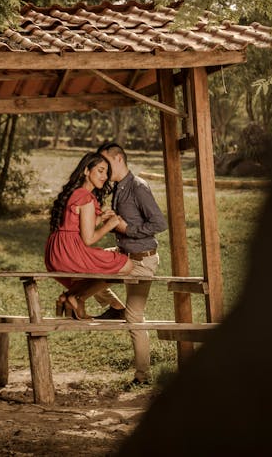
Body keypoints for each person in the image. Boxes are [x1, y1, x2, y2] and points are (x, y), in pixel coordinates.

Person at [96, 142, 168, 387]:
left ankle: (142, 377)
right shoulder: (118, 187)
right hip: (124, 254)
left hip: (143, 260)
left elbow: (159, 223)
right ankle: (115, 305)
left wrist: (128, 229)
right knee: (87, 266)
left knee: (135, 317)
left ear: (118, 159)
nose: (102, 167)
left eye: (105, 162)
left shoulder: (138, 187)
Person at [45, 152, 134, 319]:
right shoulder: (85, 197)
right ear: (86, 171)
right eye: (100, 171)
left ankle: (68, 297)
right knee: (126, 265)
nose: (104, 176)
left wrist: (99, 218)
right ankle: (78, 297)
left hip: (55, 252)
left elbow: (74, 224)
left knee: (104, 268)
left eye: (106, 172)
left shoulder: (75, 193)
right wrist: (110, 225)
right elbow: (89, 239)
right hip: (69, 252)